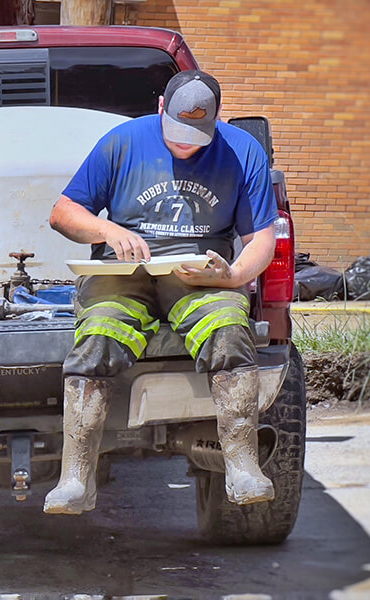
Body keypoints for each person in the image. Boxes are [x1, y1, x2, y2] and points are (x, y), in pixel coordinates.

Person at [43, 70, 279, 515]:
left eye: (196, 134)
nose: (185, 143)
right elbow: (63, 213)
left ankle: (243, 465)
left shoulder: (241, 151)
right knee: (98, 335)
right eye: (176, 132)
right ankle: (76, 477)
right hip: (123, 271)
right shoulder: (122, 141)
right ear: (158, 108)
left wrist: (231, 278)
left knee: (229, 328)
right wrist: (106, 228)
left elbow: (261, 239)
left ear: (216, 119)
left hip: (198, 274)